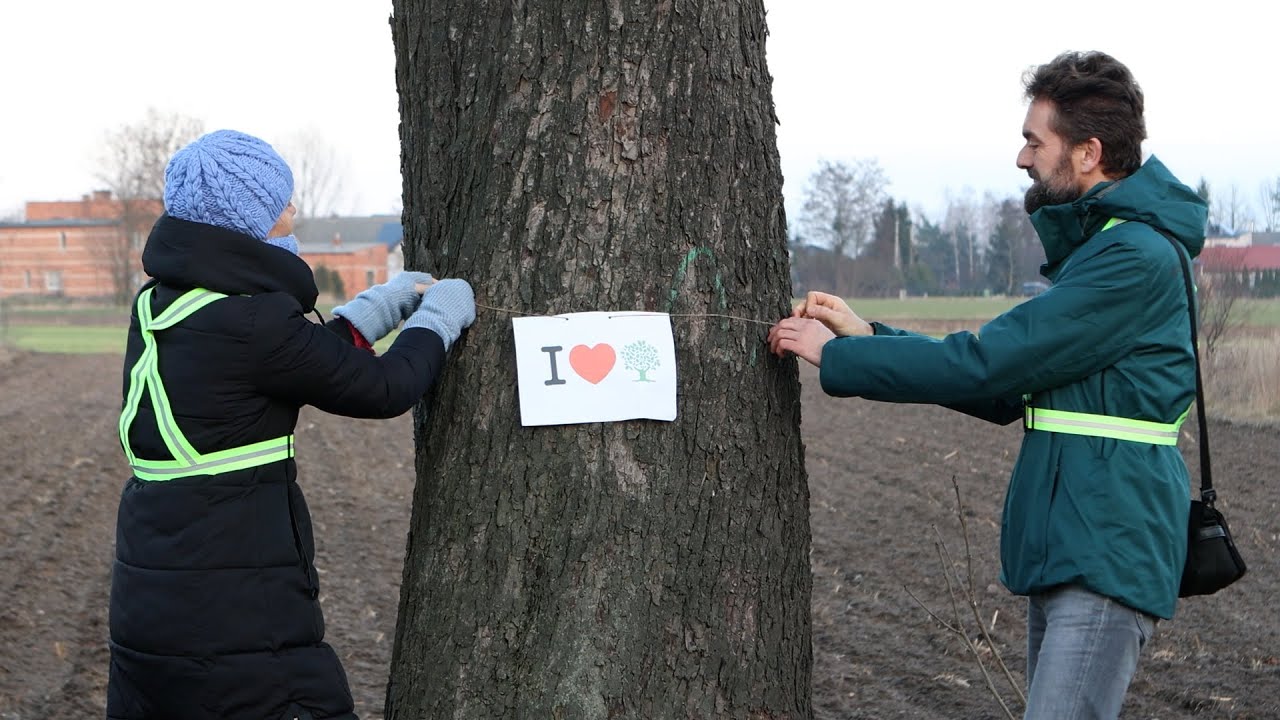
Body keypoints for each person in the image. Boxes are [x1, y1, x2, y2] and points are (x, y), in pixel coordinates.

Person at [768, 51, 1207, 720]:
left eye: (1035, 141)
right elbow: (1002, 388)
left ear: (1088, 153)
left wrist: (839, 359)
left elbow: (986, 363)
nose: (1022, 158)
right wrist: (864, 336)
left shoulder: (1131, 258)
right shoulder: (1109, 250)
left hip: (1106, 545)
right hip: (1078, 541)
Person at [108, 129, 475, 720]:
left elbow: (287, 363)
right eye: (282, 203)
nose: (295, 210)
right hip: (231, 607)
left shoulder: (164, 303)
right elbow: (383, 388)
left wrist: (374, 309)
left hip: (153, 596)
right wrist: (438, 319)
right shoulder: (254, 320)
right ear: (249, 220)